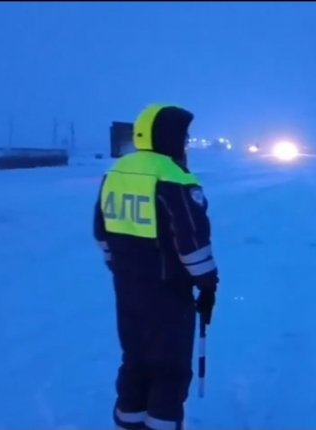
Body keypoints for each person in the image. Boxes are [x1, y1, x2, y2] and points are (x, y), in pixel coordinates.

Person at [93, 104, 219, 430]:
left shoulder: (116, 172)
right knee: (169, 366)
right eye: (183, 136)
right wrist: (207, 283)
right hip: (168, 292)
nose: (186, 143)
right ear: (168, 136)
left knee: (135, 357)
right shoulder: (174, 176)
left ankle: (129, 421)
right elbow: (191, 240)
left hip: (127, 289)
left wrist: (121, 268)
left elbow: (102, 232)